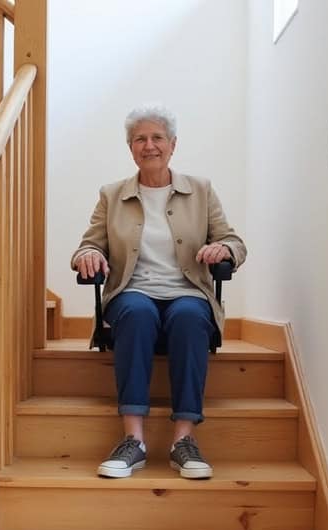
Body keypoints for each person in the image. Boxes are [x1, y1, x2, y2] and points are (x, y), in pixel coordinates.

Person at [71, 104, 247, 479]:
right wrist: (87, 255)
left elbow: (233, 240)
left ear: (172, 145)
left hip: (188, 291)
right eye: (140, 139)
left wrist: (225, 250)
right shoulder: (112, 194)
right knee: (137, 313)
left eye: (157, 138)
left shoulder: (200, 190)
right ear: (130, 147)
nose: (148, 145)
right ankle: (133, 441)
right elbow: (90, 244)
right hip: (132, 291)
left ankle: (184, 440)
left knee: (188, 316)